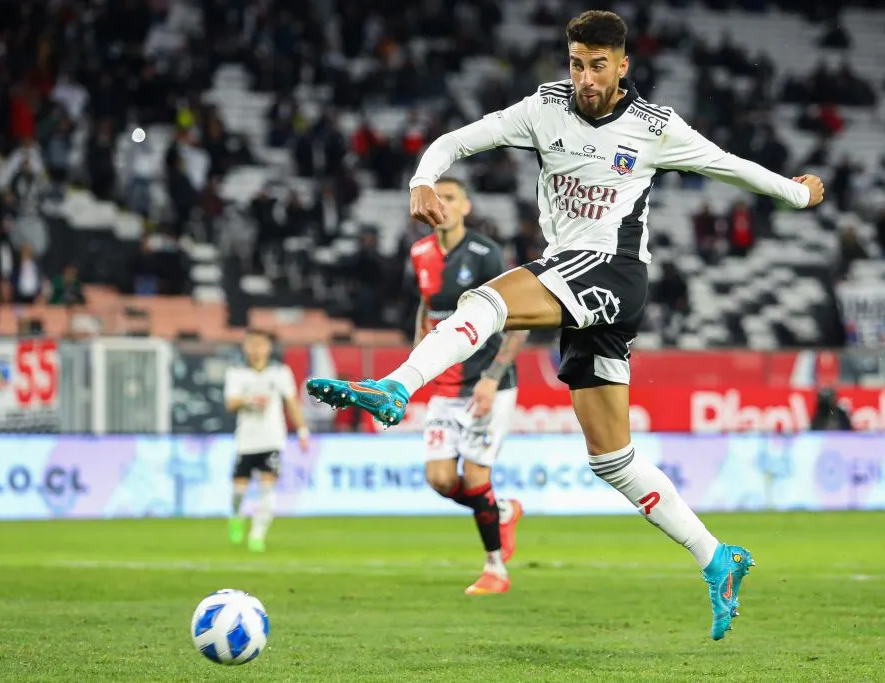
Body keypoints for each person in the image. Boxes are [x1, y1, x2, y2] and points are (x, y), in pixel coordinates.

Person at [308, 9, 825, 640]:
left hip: (615, 271)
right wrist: (423, 178)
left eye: (599, 65)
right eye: (577, 63)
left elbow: (728, 165)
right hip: (572, 276)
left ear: (623, 65)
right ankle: (716, 557)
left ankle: (396, 387)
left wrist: (798, 195)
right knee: (612, 458)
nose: (585, 76)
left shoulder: (655, 126)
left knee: (485, 300)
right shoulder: (543, 108)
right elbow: (459, 141)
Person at [410, 176, 528, 595]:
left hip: (486, 382)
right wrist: (413, 370)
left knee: (476, 477)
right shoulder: (420, 253)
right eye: (435, 197)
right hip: (445, 385)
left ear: (465, 207)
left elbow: (519, 319)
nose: (441, 204)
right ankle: (503, 509)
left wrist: (493, 378)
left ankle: (495, 569)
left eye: (450, 197)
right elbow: (426, 310)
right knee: (441, 480)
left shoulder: (485, 253)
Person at [225, 328, 310, 552]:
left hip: (272, 439)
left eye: (260, 344)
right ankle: (236, 516)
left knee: (267, 488)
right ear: (245, 348)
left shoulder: (280, 372)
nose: (256, 349)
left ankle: (257, 535)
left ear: (268, 348)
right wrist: (249, 401)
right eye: (251, 344)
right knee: (239, 491)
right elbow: (230, 404)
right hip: (246, 440)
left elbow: (291, 402)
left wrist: (302, 430)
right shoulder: (237, 373)